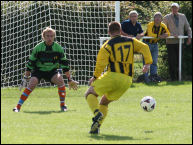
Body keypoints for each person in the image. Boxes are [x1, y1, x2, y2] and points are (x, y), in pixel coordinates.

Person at [85, 21, 153, 134]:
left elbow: (101, 64)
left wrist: (95, 77)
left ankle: (97, 114)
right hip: (127, 81)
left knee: (89, 93)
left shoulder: (107, 45)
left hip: (113, 76)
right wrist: (147, 63)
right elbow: (145, 47)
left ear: (109, 32)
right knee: (104, 102)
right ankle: (96, 127)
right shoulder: (131, 41)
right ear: (120, 30)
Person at [13, 27, 79, 112]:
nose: (49, 38)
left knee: (60, 80)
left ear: (54, 37)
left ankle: (63, 105)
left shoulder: (58, 48)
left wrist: (69, 79)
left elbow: (65, 65)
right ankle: (18, 107)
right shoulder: (38, 48)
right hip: (38, 71)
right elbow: (30, 63)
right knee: (32, 84)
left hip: (52, 71)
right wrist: (26, 77)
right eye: (47, 36)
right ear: (43, 37)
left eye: (51, 36)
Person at [138, 12, 170, 83]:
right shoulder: (150, 24)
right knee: (146, 61)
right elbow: (150, 34)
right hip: (147, 44)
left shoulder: (163, 25)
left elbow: (168, 33)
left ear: (161, 19)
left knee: (154, 61)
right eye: (156, 17)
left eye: (159, 17)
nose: (157, 18)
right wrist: (160, 36)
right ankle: (146, 78)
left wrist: (164, 35)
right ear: (154, 18)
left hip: (155, 44)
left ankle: (153, 77)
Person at [163, 3, 192, 81]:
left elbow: (188, 28)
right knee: (172, 61)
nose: (174, 9)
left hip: (180, 42)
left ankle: (180, 77)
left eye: (175, 8)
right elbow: (163, 30)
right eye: (173, 8)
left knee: (180, 60)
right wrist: (172, 34)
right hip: (170, 42)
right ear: (171, 9)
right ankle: (173, 78)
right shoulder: (166, 17)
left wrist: (189, 37)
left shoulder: (183, 16)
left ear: (178, 9)